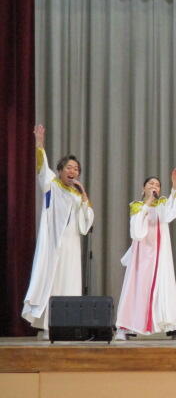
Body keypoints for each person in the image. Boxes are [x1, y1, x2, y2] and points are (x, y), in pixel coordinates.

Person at [22, 125, 95, 338]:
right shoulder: (51, 185)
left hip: (72, 245)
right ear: (60, 170)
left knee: (70, 282)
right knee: (52, 282)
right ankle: (48, 326)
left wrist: (84, 197)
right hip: (54, 245)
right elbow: (42, 168)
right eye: (69, 167)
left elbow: (86, 222)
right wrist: (39, 143)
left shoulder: (76, 194)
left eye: (76, 169)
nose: (73, 171)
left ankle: (68, 326)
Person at [115, 170, 176, 340]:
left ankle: (174, 327)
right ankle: (125, 328)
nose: (154, 186)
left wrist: (175, 186)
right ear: (143, 188)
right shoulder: (137, 206)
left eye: (157, 185)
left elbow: (170, 214)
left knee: (165, 288)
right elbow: (136, 232)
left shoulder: (162, 204)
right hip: (142, 255)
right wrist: (147, 203)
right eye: (151, 184)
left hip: (161, 255)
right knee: (136, 288)